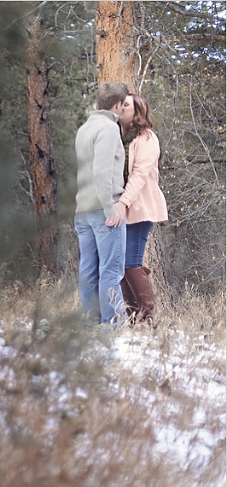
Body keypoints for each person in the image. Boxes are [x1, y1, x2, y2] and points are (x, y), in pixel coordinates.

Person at [74, 81, 129, 325]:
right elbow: (102, 172)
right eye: (124, 105)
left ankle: (91, 323)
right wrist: (110, 208)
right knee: (111, 271)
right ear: (117, 105)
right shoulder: (108, 129)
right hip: (103, 210)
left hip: (82, 210)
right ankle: (114, 325)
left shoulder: (85, 128)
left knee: (88, 270)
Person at [117, 93, 168, 327]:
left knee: (131, 263)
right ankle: (134, 320)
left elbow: (138, 175)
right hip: (124, 208)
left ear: (137, 111)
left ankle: (149, 319)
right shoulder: (120, 137)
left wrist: (123, 203)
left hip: (140, 206)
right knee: (122, 265)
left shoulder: (147, 138)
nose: (121, 107)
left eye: (126, 104)